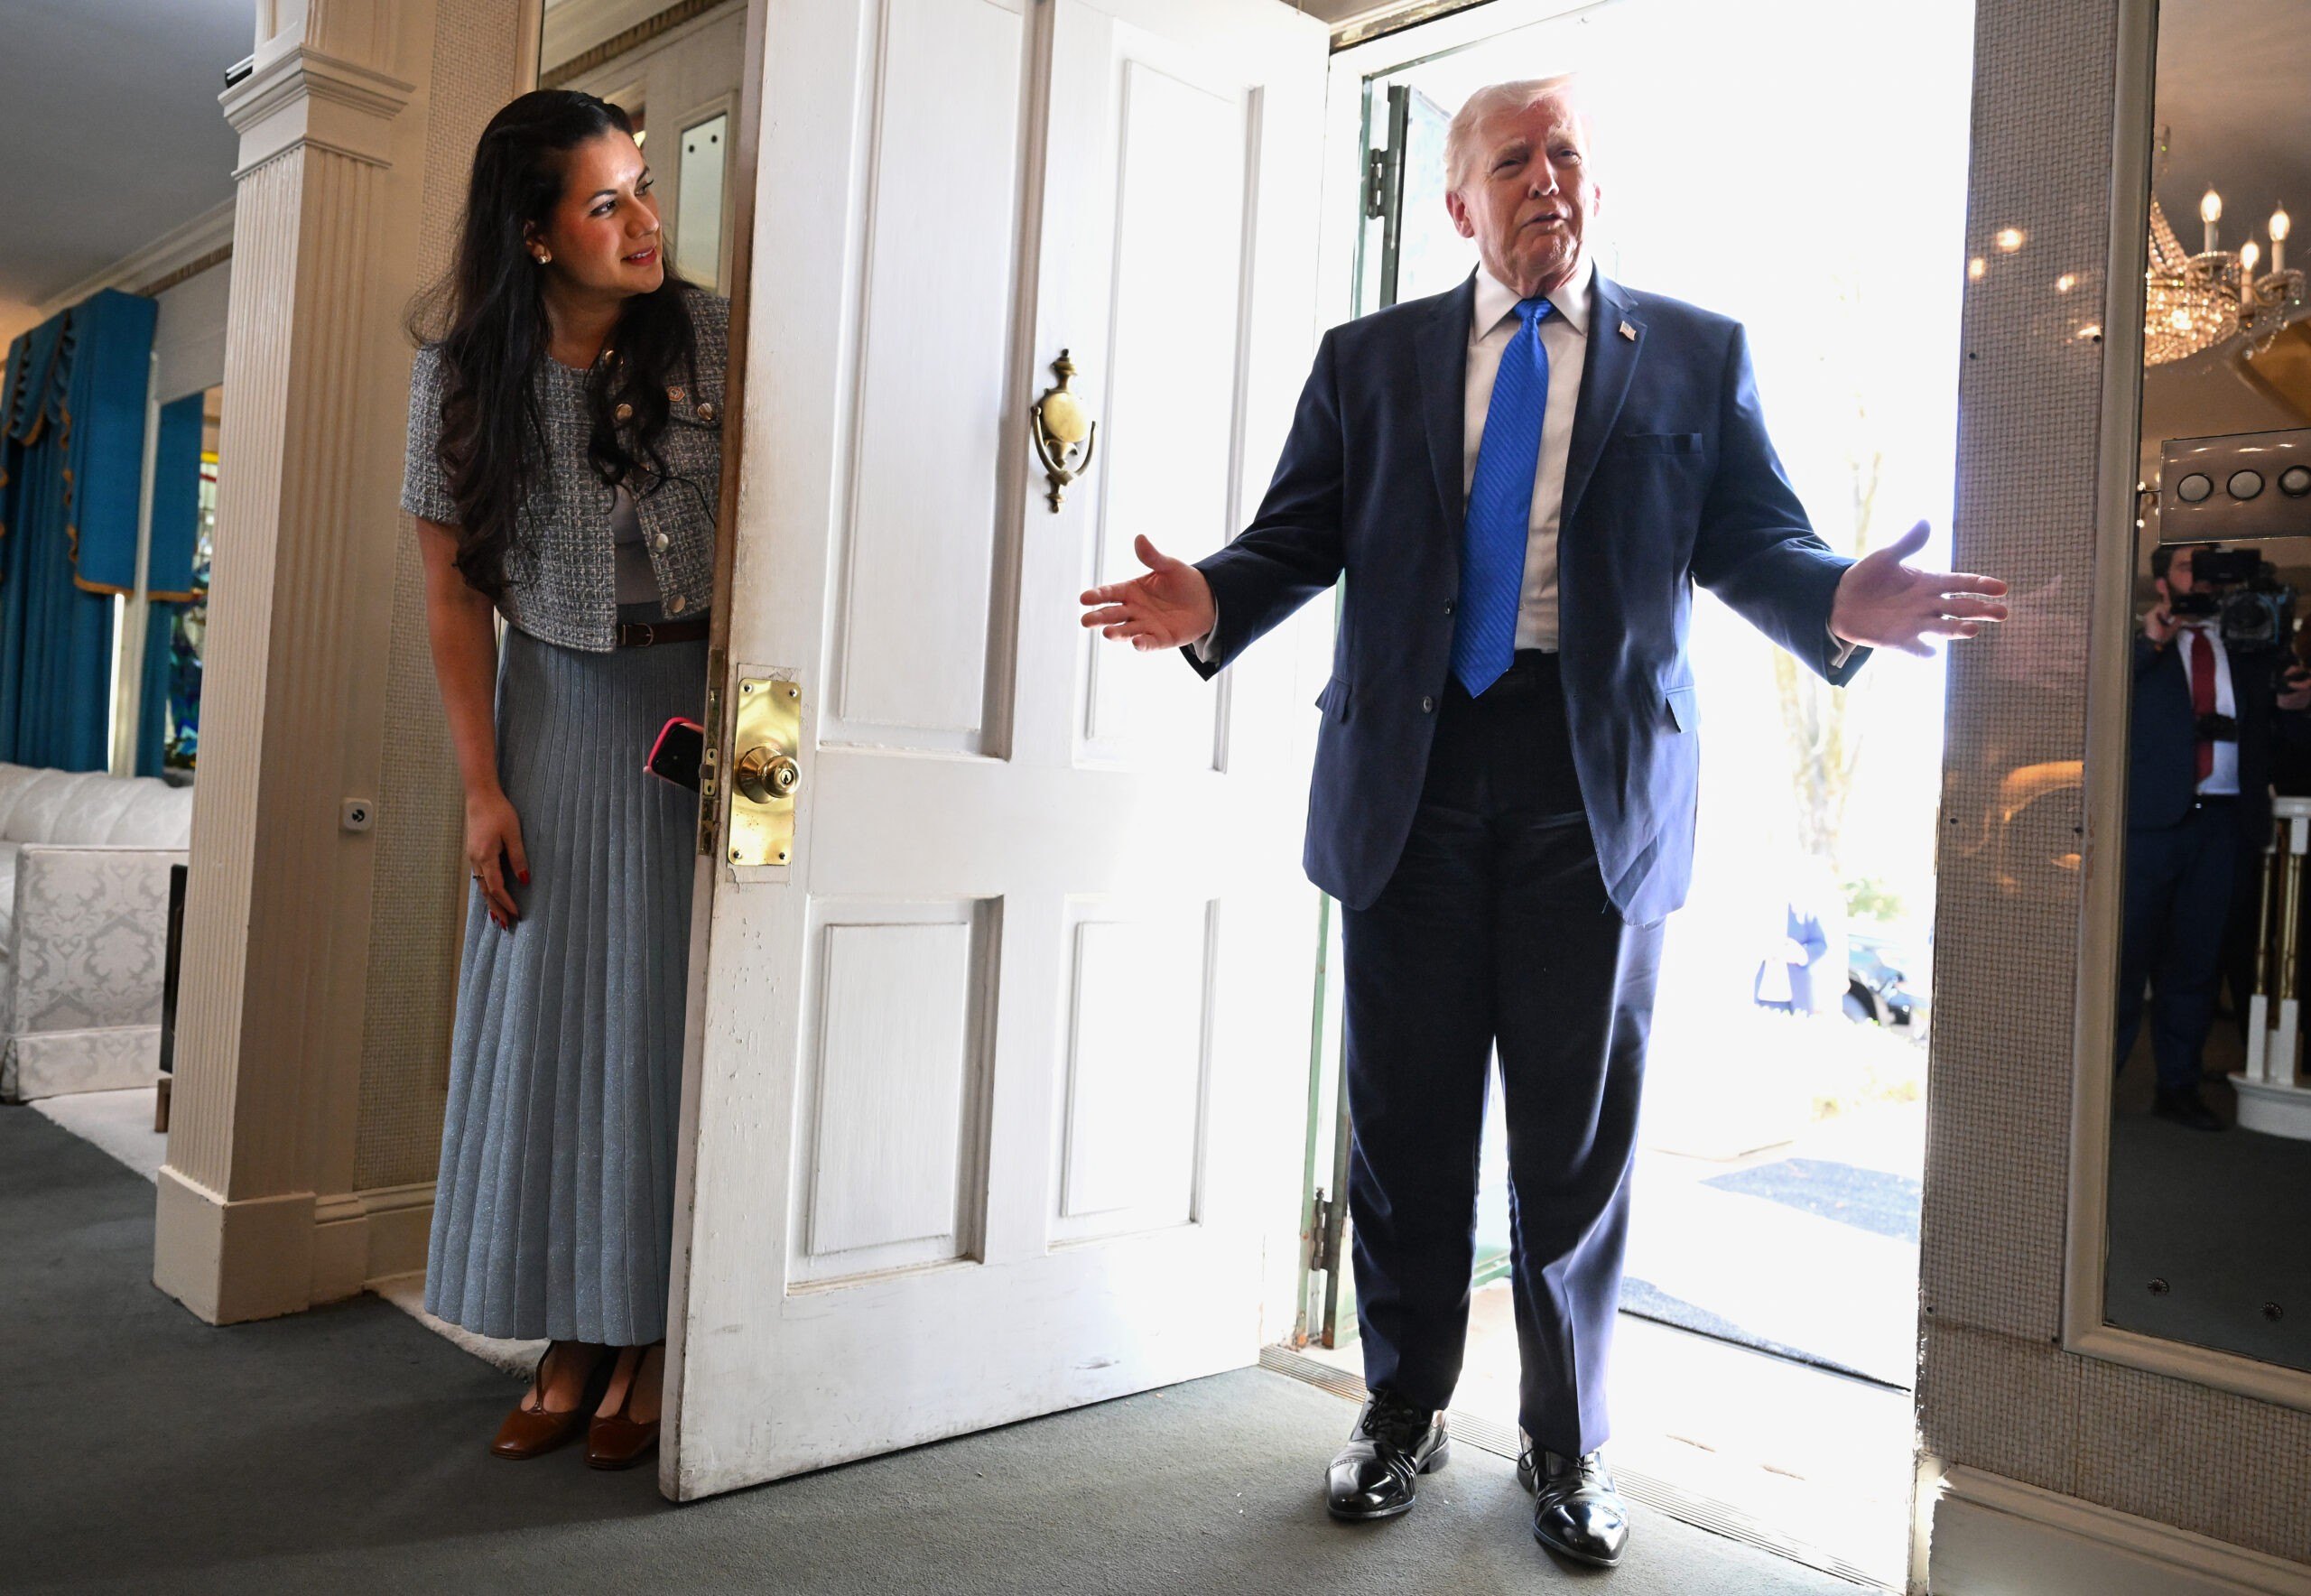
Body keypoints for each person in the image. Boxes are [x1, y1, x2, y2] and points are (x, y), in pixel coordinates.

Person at [1079, 75, 2004, 1568]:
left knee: (1575, 1147)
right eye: (1513, 159)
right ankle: (1401, 1408)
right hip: (1413, 780)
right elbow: (1296, 535)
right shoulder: (1370, 361)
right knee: (1406, 1128)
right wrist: (1213, 601)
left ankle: (1568, 1446)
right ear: (1459, 203)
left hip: (1596, 789)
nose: (1546, 179)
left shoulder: (1692, 356)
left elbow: (1753, 537)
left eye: (1566, 153)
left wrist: (1836, 597)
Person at [400, 89, 724, 1470]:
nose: (646, 221)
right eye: (606, 203)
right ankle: (571, 1331)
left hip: (699, 703)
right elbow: (450, 595)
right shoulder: (461, 378)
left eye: (643, 187)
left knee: (665, 1018)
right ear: (536, 235)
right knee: (551, 1016)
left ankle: (651, 1327)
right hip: (557, 709)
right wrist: (482, 788)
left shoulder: (707, 334)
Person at [2121, 542, 2311, 1130]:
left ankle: (2178, 1088)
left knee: (2195, 964)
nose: (2200, 580)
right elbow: (2099, 704)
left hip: (2224, 825)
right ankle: (2097, 1085)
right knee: (2124, 962)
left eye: (2208, 571)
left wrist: (2300, 705)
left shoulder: (2252, 641)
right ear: (2162, 582)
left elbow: (2288, 740)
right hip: (2149, 825)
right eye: (2187, 568)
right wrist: (2153, 640)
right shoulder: (2136, 645)